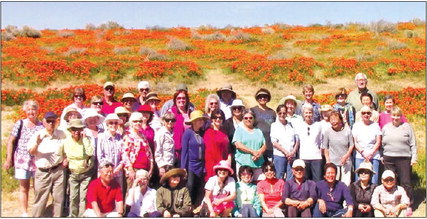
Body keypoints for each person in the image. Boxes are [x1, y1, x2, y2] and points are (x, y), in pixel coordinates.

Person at [3, 100, 44, 217]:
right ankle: (24, 212)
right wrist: (9, 159)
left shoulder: (41, 125)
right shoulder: (19, 123)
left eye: (34, 109)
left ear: (37, 110)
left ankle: (36, 212)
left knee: (38, 188)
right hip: (22, 160)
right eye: (29, 109)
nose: (31, 112)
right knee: (24, 187)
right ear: (25, 111)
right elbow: (11, 141)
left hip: (37, 160)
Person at [28, 112, 67, 217]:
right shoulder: (38, 135)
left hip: (58, 170)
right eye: (48, 121)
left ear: (56, 122)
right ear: (44, 122)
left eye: (52, 121)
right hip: (43, 172)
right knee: (40, 200)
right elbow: (31, 151)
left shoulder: (62, 134)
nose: (51, 123)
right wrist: (37, 143)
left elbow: (67, 148)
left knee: (59, 200)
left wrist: (66, 158)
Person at [381, 106, 416, 215]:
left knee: (405, 182)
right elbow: (381, 143)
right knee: (390, 181)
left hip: (404, 158)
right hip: (388, 158)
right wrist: (382, 155)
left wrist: (414, 157)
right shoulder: (386, 128)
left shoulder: (407, 127)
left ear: (401, 116)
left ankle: (408, 204)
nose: (395, 118)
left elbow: (413, 144)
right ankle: (392, 203)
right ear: (390, 115)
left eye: (398, 115)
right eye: (393, 115)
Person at [58, 119, 95, 217]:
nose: (76, 132)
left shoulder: (86, 140)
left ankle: (82, 216)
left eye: (79, 129)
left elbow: (90, 152)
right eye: (74, 129)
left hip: (85, 173)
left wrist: (85, 139)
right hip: (73, 172)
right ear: (70, 130)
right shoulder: (66, 141)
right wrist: (65, 159)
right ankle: (73, 215)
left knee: (83, 197)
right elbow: (61, 153)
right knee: (73, 197)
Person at [181, 110, 208, 206]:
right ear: (193, 121)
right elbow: (184, 151)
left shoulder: (202, 132)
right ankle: (187, 207)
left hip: (201, 164)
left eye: (202, 119)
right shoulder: (188, 133)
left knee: (199, 187)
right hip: (191, 164)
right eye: (199, 120)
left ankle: (196, 207)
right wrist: (183, 167)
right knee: (190, 186)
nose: (201, 121)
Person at [232, 109, 266, 182]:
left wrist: (258, 153)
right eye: (246, 118)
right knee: (244, 187)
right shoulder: (239, 130)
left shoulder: (258, 131)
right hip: (244, 164)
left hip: (258, 164)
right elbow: (238, 145)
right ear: (243, 119)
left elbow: (264, 145)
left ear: (254, 119)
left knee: (259, 186)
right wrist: (253, 152)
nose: (248, 120)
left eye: (250, 118)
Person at [352, 105, 382, 184]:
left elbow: (378, 141)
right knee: (359, 180)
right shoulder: (356, 126)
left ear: (371, 114)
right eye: (364, 113)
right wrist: (362, 152)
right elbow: (354, 142)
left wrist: (371, 152)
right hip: (360, 155)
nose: (366, 115)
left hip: (374, 155)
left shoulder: (375, 125)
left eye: (368, 113)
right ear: (361, 114)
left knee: (374, 181)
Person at [323, 111, 354, 186]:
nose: (333, 122)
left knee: (346, 183)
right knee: (333, 183)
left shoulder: (347, 130)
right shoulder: (327, 131)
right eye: (331, 119)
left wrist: (346, 156)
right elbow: (325, 147)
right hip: (333, 162)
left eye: (335, 119)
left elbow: (351, 145)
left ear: (340, 120)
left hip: (346, 162)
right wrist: (327, 160)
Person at [123, 112, 154, 185]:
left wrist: (151, 167)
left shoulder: (143, 136)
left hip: (145, 169)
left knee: (143, 193)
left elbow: (149, 153)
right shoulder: (128, 136)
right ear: (131, 122)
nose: (138, 123)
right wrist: (130, 169)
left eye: (140, 121)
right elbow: (125, 155)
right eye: (135, 121)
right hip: (134, 169)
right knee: (132, 192)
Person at [295, 104, 323, 182]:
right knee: (305, 181)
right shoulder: (299, 126)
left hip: (316, 157)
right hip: (304, 156)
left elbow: (321, 141)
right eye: (306, 113)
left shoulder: (318, 125)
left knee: (317, 181)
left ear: (313, 113)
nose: (308, 115)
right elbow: (298, 141)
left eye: (310, 112)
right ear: (303, 114)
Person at [96, 114, 125, 189]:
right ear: (107, 125)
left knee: (118, 195)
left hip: (118, 172)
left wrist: (119, 167)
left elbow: (124, 154)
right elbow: (100, 156)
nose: (113, 125)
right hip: (105, 172)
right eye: (111, 123)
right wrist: (109, 169)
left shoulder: (120, 137)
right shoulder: (102, 137)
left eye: (116, 123)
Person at [270, 104, 299, 180]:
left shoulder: (291, 125)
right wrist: (286, 152)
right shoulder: (274, 125)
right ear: (277, 113)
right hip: (280, 155)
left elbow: (297, 139)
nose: (282, 115)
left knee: (291, 177)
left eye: (284, 113)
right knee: (279, 177)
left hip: (291, 156)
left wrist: (293, 152)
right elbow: (274, 142)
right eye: (280, 113)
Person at [204, 109, 231, 181]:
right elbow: (210, 151)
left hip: (224, 162)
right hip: (213, 164)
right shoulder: (209, 132)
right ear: (212, 119)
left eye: (220, 118)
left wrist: (228, 159)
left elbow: (228, 148)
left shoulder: (224, 131)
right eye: (215, 117)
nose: (218, 119)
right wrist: (219, 164)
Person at [168, 89, 193, 167]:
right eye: (179, 98)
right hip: (177, 150)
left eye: (183, 98)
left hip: (190, 149)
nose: (181, 100)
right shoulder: (171, 112)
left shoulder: (191, 112)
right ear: (175, 100)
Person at [251, 88, 276, 160]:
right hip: (257, 145)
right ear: (257, 98)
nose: (262, 98)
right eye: (260, 97)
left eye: (265, 96)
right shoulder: (252, 110)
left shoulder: (272, 112)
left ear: (268, 98)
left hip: (269, 144)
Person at [222, 99, 245, 175]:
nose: (237, 110)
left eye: (239, 108)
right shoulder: (227, 123)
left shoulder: (246, 122)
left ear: (242, 109)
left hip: (245, 154)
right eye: (234, 108)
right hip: (231, 154)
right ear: (232, 110)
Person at [154, 112, 176, 178]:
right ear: (163, 121)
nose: (170, 122)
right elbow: (158, 150)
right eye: (167, 120)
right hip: (164, 165)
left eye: (172, 120)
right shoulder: (161, 133)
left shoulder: (172, 133)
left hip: (171, 163)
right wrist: (161, 167)